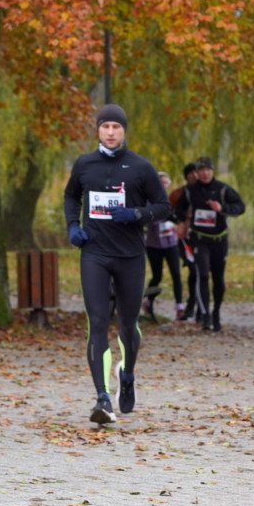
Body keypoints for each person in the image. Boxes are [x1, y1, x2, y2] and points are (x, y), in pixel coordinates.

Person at [63, 104, 171, 424]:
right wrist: (72, 225)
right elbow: (71, 196)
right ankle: (102, 397)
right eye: (105, 126)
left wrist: (137, 214)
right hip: (94, 253)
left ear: (124, 131)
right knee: (97, 322)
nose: (110, 132)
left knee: (127, 324)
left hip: (130, 257)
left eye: (116, 127)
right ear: (97, 130)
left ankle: (127, 374)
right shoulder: (85, 164)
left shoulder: (140, 167)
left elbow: (163, 206)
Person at [175, 156, 246, 332]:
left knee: (218, 279)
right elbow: (179, 208)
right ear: (197, 173)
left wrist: (222, 209)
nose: (205, 173)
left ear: (212, 171)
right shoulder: (190, 190)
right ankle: (205, 315)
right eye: (201, 171)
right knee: (202, 275)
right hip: (199, 239)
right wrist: (182, 222)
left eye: (208, 170)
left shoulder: (222, 189)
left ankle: (216, 313)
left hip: (219, 240)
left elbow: (240, 206)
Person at [142, 172, 184, 321]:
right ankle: (149, 302)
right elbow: (148, 219)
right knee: (157, 275)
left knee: (176, 274)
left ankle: (180, 306)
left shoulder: (172, 200)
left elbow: (178, 216)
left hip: (171, 243)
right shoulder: (148, 201)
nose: (163, 185)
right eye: (161, 182)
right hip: (154, 245)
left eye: (166, 183)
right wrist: (163, 215)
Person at [169, 162, 199, 321]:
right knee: (194, 270)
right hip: (185, 239)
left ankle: (200, 307)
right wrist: (180, 222)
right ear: (186, 176)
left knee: (201, 271)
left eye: (197, 172)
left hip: (202, 236)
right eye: (191, 173)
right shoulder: (178, 194)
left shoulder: (206, 191)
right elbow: (166, 211)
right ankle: (189, 306)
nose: (195, 176)